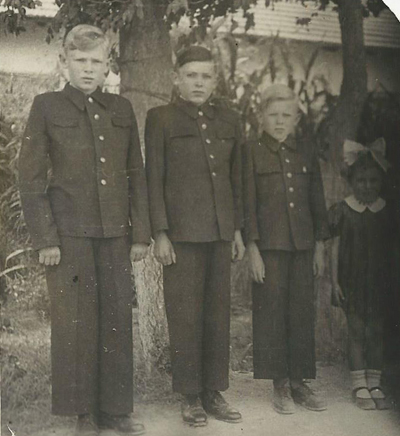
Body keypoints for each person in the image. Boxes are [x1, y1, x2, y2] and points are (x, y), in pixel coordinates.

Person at [19, 25, 151, 436]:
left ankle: (115, 410)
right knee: (75, 324)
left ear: (107, 65)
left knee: (116, 320)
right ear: (65, 63)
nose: (89, 68)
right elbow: (30, 178)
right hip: (69, 237)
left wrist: (141, 234)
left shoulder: (121, 108)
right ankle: (83, 415)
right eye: (80, 60)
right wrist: (46, 240)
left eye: (96, 61)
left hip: (115, 235)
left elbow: (136, 173)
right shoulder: (46, 107)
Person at [145, 45, 244, 427]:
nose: (198, 83)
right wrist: (160, 232)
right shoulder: (161, 118)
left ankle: (213, 391)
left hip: (220, 233)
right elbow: (154, 178)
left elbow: (235, 179)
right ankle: (190, 396)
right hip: (182, 237)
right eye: (191, 75)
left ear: (215, 80)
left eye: (205, 76)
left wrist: (236, 230)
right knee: (185, 316)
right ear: (177, 79)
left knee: (217, 316)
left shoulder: (230, 120)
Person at [244, 84, 330, 414]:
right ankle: (279, 383)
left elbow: (317, 201)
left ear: (296, 118)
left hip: (303, 245)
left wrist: (319, 246)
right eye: (273, 115)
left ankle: (299, 382)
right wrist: (252, 248)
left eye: (286, 115)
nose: (280, 121)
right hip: (269, 247)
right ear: (261, 117)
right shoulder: (251, 151)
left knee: (300, 312)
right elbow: (248, 203)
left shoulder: (305, 151)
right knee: (271, 312)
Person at [329, 139, 393, 410]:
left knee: (376, 330)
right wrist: (334, 281)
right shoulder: (343, 210)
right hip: (352, 281)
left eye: (373, 181)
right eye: (361, 181)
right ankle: (359, 384)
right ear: (351, 182)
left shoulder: (386, 211)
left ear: (381, 181)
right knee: (356, 330)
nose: (367, 186)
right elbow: (334, 248)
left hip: (380, 282)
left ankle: (375, 382)